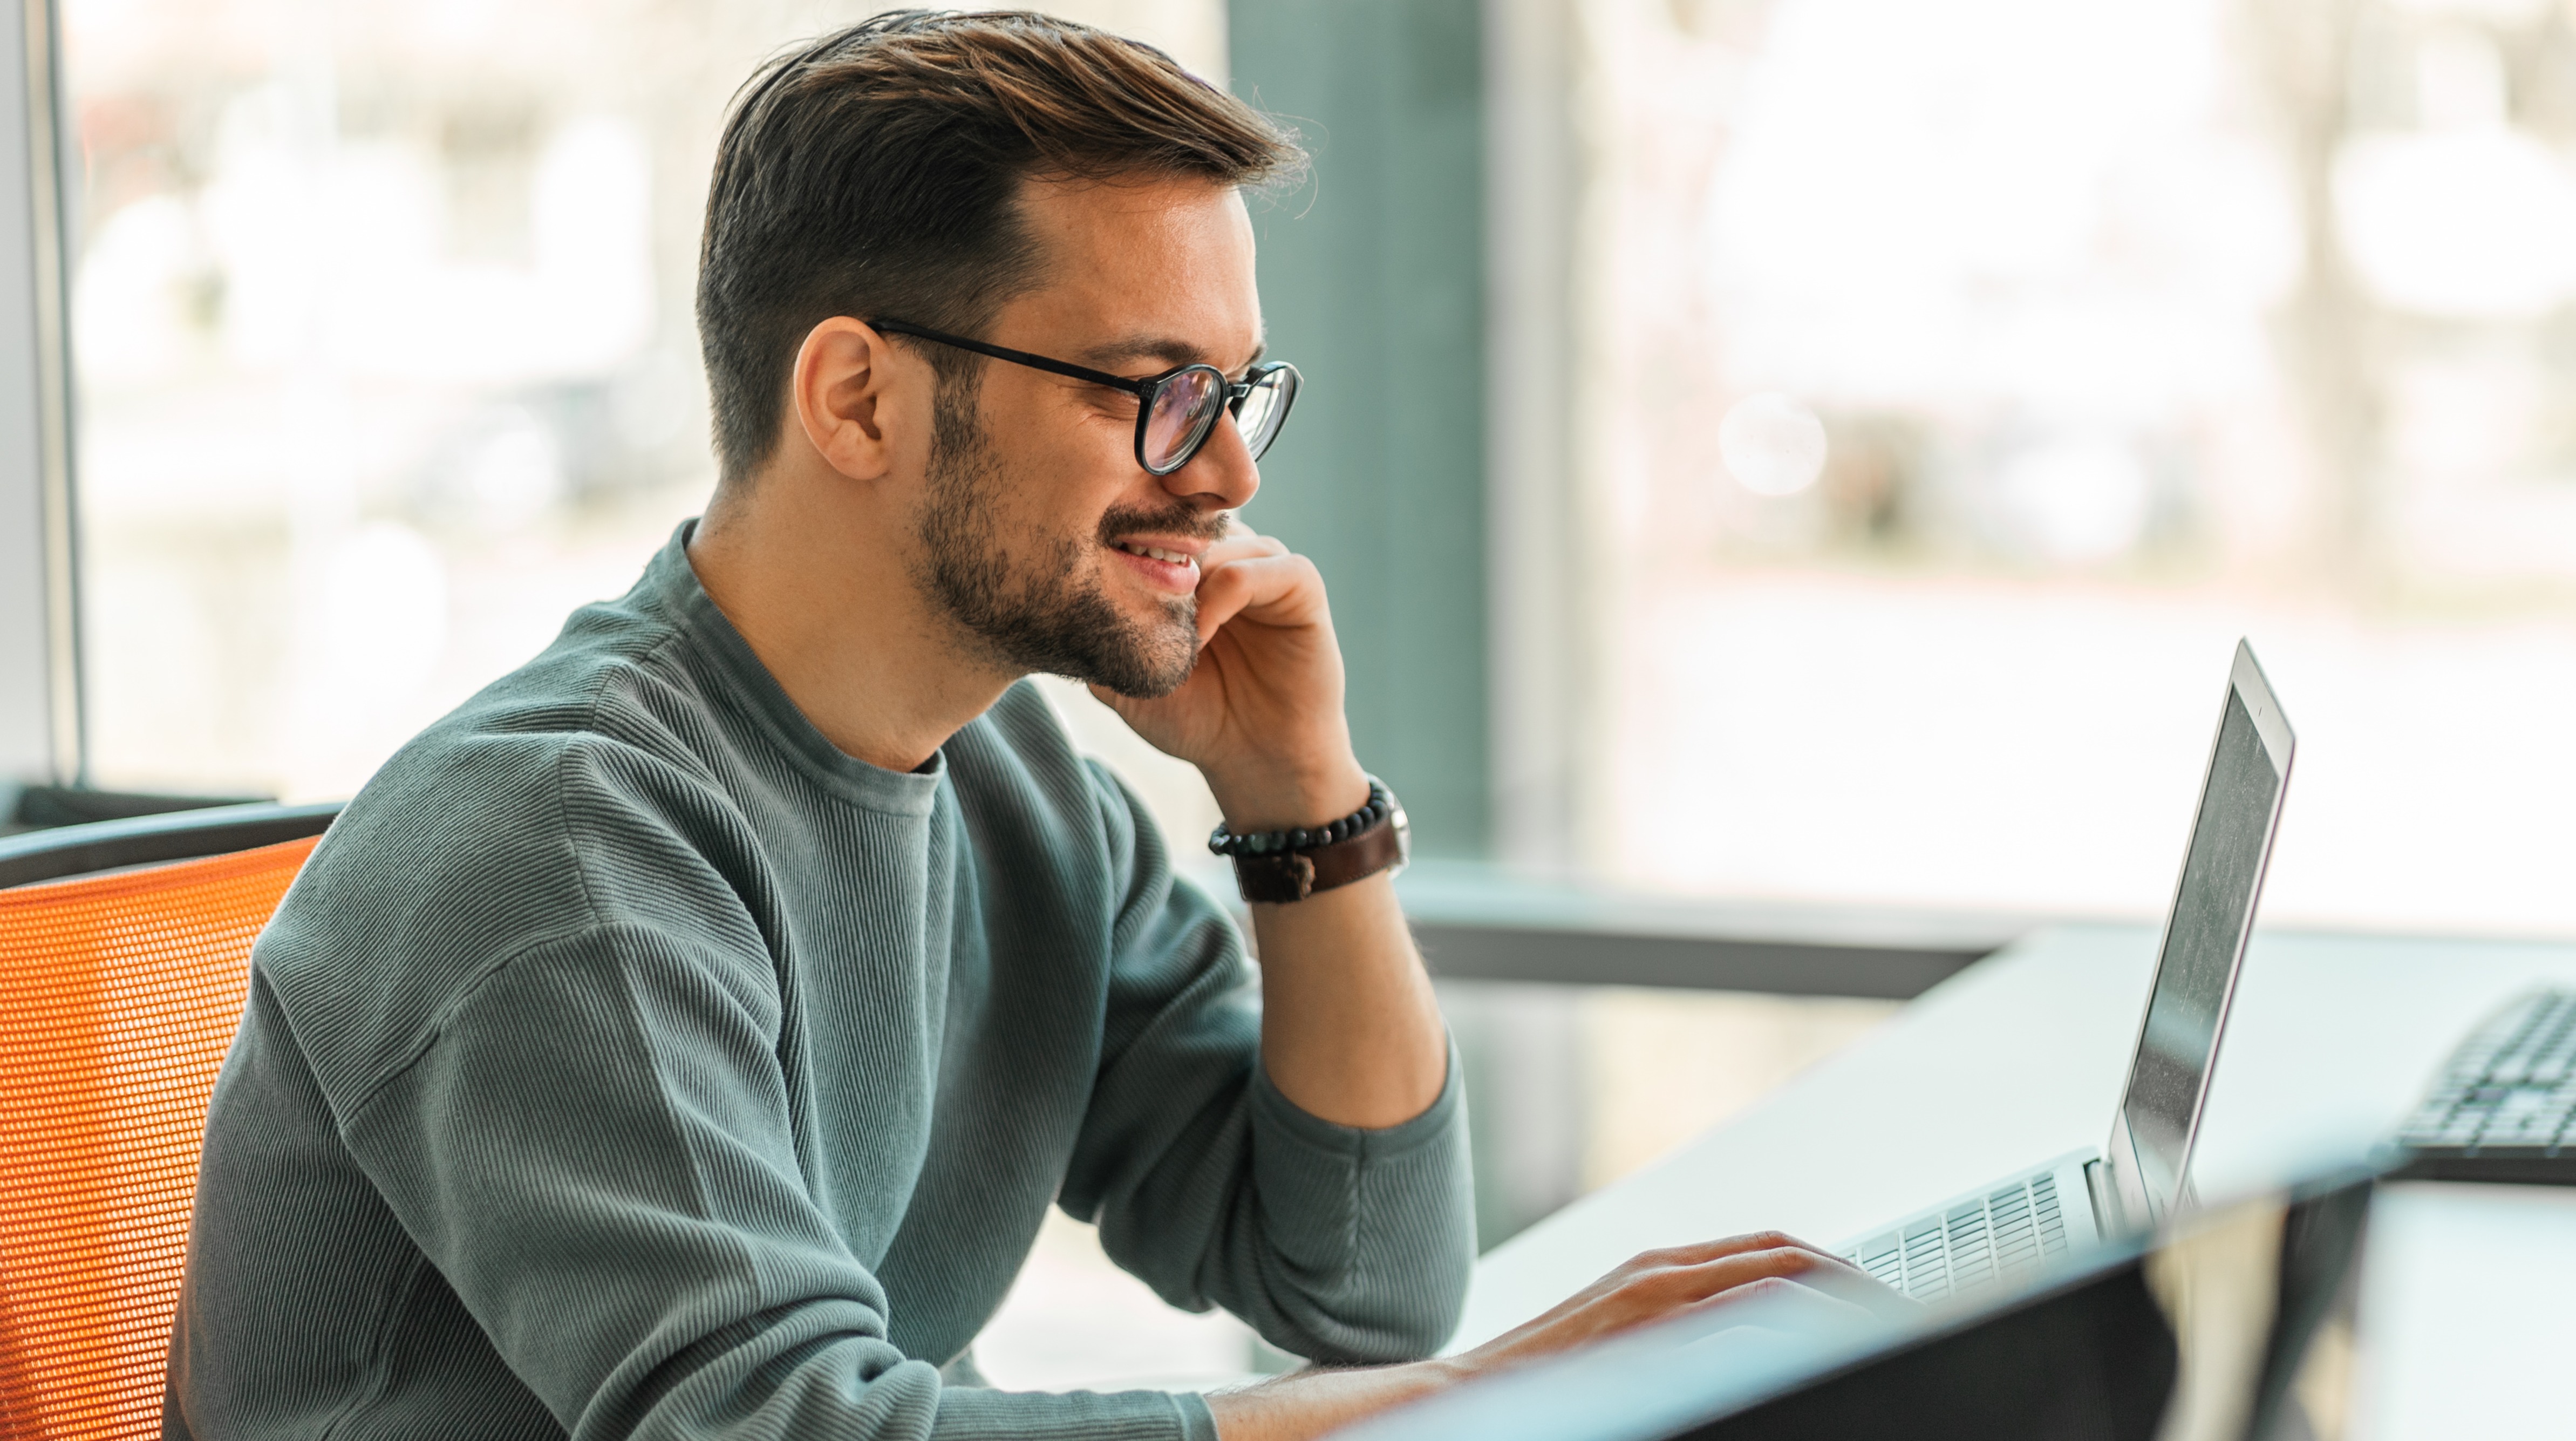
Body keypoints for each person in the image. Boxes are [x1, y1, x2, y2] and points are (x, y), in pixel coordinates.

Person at [165, 11, 1889, 1441]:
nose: (1226, 471)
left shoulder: (1012, 788)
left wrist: (1304, 807)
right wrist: (1491, 1399)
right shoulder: (558, 845)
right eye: (1157, 392)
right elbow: (782, 1435)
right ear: (857, 397)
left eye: (1237, 391)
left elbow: (1353, 1286)